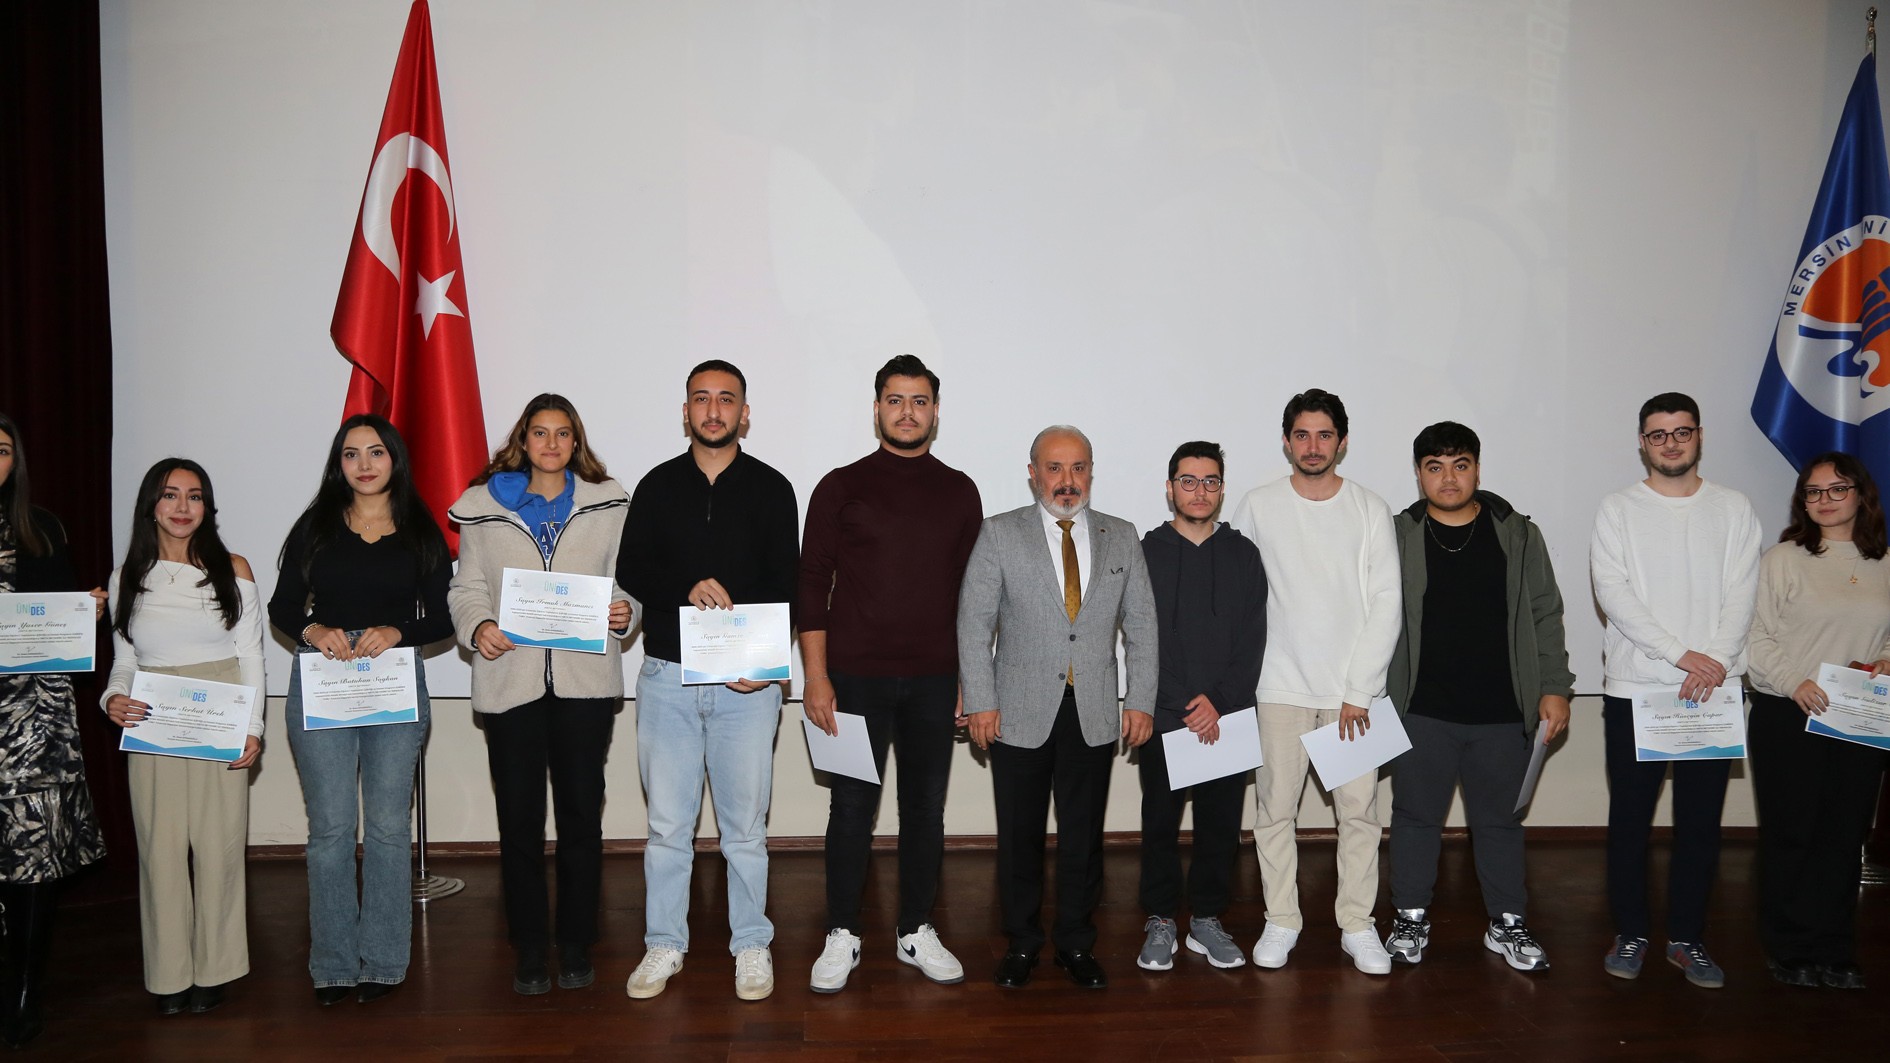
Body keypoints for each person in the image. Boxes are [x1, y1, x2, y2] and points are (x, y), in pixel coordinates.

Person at [618, 360, 800, 1002]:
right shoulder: (656, 485)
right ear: (686, 411)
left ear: (744, 414)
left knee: (744, 829)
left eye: (726, 399)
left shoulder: (773, 488)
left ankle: (751, 944)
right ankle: (664, 943)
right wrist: (684, 586)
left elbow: (788, 584)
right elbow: (633, 568)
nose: (713, 410)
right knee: (668, 827)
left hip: (745, 687)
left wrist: (765, 666)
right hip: (667, 678)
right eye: (702, 398)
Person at [800, 355, 982, 993]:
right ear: (877, 408)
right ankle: (842, 932)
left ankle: (916, 929)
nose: (908, 412)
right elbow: (811, 584)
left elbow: (973, 595)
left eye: (920, 401)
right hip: (853, 680)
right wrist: (816, 677)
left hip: (935, 680)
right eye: (896, 400)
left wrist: (970, 678)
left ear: (936, 411)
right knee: (851, 808)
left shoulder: (960, 491)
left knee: (925, 809)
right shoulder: (840, 486)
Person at [958, 424, 1158, 990]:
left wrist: (1141, 700)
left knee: (1083, 838)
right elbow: (974, 623)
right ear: (1033, 474)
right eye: (1054, 468)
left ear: (1091, 472)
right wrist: (981, 701)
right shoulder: (999, 533)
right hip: (1017, 710)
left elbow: (1142, 624)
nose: (1066, 480)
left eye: (1078, 468)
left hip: (1093, 712)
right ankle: (1022, 942)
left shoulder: (1122, 536)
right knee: (1018, 837)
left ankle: (1075, 942)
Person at [448, 394, 634, 996]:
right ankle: (529, 945)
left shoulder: (609, 503)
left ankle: (576, 941)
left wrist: (624, 611)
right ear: (522, 440)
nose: (551, 444)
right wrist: (478, 625)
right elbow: (466, 587)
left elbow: (629, 580)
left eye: (562, 434)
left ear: (576, 442)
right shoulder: (481, 508)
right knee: (519, 821)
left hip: (585, 684)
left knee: (581, 818)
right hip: (511, 683)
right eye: (539, 433)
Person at [269, 414, 452, 1006]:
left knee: (389, 829)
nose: (365, 464)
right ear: (338, 464)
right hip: (322, 682)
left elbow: (444, 617)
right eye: (351, 454)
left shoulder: (420, 529)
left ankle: (385, 960)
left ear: (395, 459)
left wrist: (399, 631)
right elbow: (282, 606)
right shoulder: (316, 526)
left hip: (393, 684)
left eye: (376, 452)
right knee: (330, 830)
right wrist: (312, 628)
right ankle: (333, 965)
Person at [1384, 422, 1573, 972]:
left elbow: (1545, 612)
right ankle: (1410, 918)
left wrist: (1555, 687)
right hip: (1421, 709)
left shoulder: (1518, 534)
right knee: (1415, 818)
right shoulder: (1397, 534)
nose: (1448, 478)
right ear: (1419, 474)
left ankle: (1507, 923)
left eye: (1460, 465)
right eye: (1435, 467)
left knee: (1500, 822)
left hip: (1502, 711)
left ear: (1477, 470)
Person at [1590, 392, 1760, 989]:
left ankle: (1687, 939)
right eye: (1658, 434)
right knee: (1630, 823)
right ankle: (1631, 933)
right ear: (1643, 442)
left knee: (1700, 826)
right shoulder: (1617, 508)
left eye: (1681, 432)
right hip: (1637, 691)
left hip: (1714, 693)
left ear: (1699, 436)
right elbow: (1613, 592)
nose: (1670, 443)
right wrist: (1680, 654)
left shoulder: (1734, 508)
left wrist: (1714, 663)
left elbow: (1743, 593)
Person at [1229, 388, 1400, 975]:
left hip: (1354, 697)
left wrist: (1360, 690)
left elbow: (1387, 602)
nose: (1313, 445)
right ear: (1286, 441)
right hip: (1277, 688)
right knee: (1275, 811)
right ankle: (1282, 919)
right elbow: (1237, 595)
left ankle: (1357, 924)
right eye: (1301, 434)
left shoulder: (1370, 508)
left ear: (1342, 442)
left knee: (1360, 814)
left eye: (1324, 435)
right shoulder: (1257, 505)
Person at [102, 459, 265, 1016]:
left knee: (219, 848)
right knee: (160, 850)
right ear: (151, 504)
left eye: (194, 496)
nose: (181, 507)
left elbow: (251, 655)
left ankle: (216, 968)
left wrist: (253, 727)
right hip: (152, 717)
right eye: (170, 495)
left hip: (221, 710)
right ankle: (169, 973)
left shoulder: (234, 569)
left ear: (207, 507)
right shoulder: (127, 576)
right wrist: (111, 699)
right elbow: (125, 661)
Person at [1747, 452, 1890, 990]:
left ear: (1861, 495)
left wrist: (1887, 661)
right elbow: (1754, 636)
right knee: (1792, 835)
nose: (1824, 500)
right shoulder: (1782, 560)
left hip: (1858, 716)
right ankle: (1789, 948)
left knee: (1844, 835)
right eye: (1813, 491)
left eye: (1837, 489)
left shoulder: (1886, 562)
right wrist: (1795, 683)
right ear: (1802, 501)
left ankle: (1835, 948)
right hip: (1790, 712)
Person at [1134, 441, 1265, 972]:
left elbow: (1253, 637)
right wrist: (1185, 703)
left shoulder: (1243, 554)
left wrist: (1220, 702)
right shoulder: (1144, 552)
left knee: (1220, 825)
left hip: (1228, 717)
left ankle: (1207, 920)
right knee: (1160, 823)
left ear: (1222, 489)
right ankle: (1161, 919)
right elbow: (1140, 636)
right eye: (1188, 481)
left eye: (1210, 481)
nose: (1199, 491)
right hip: (1166, 714)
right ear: (1170, 489)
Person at [0, 414, 107, 1048]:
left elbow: (61, 628)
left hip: (35, 721)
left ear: (17, 461)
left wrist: (84, 613)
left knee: (32, 855)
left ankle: (24, 992)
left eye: (2, 450)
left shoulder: (41, 528)